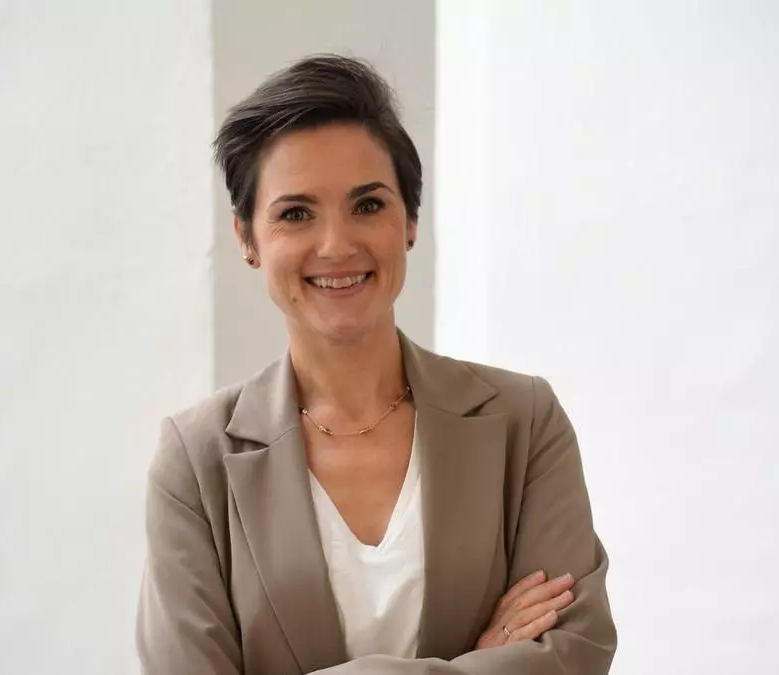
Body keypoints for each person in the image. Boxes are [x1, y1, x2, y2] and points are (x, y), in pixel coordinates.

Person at [136, 54, 616, 674]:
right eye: (295, 214)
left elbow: (572, 657)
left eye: (367, 205)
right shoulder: (196, 460)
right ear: (248, 239)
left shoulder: (525, 422)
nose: (337, 245)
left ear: (410, 222)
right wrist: (477, 662)